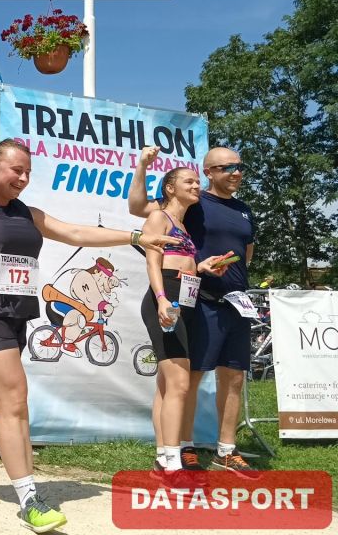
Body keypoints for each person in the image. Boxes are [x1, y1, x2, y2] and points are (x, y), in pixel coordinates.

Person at [0, 139, 178, 533]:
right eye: (16, 170)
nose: (23, 178)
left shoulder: (27, 214)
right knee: (15, 397)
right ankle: (29, 500)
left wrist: (136, 237)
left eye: (28, 172)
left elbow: (74, 232)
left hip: (15, 314)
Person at [129, 146, 258, 478]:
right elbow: (138, 209)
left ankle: (225, 451)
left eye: (240, 166)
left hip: (236, 301)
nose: (236, 172)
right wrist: (143, 165)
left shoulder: (242, 210)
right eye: (227, 167)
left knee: (233, 377)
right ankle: (179, 450)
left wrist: (204, 267)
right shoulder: (195, 204)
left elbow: (246, 253)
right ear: (210, 171)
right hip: (198, 301)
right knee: (186, 379)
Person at [136, 166, 230, 481]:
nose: (196, 185)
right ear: (169, 188)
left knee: (167, 386)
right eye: (188, 181)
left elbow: (181, 262)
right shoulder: (158, 217)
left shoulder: (183, 226)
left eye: (197, 181)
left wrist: (201, 267)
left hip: (185, 298)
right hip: (166, 297)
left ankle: (163, 459)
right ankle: (172, 465)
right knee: (179, 384)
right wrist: (162, 298)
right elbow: (153, 262)